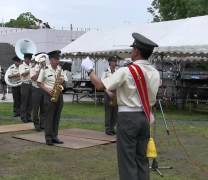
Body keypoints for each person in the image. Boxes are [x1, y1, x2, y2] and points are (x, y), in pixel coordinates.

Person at [81, 32, 160, 180]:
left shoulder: (127, 71)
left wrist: (90, 69)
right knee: (142, 159)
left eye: (132, 49)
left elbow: (99, 85)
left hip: (128, 118)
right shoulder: (155, 72)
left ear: (136, 51)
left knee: (127, 161)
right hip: (146, 117)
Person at [37, 50, 68, 145]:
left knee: (57, 117)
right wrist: (47, 90)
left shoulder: (60, 69)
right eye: (55, 59)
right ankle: (48, 138)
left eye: (58, 59)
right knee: (49, 117)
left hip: (59, 94)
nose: (57, 61)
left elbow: (64, 81)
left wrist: (62, 81)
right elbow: (39, 83)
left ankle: (55, 136)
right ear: (50, 60)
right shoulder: (44, 69)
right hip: (48, 95)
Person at [30, 53, 47, 131]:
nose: (43, 61)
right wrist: (40, 69)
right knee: (36, 108)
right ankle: (36, 125)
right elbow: (33, 78)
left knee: (43, 108)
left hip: (43, 89)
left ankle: (43, 124)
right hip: (36, 89)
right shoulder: (33, 68)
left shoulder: (46, 68)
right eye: (42, 59)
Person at [103, 56, 118, 135]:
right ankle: (108, 129)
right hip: (108, 93)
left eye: (115, 61)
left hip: (115, 93)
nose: (114, 63)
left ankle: (112, 128)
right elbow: (103, 84)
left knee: (115, 112)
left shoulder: (117, 71)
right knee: (108, 112)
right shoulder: (105, 72)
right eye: (113, 61)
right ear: (109, 62)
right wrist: (108, 92)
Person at [19, 53, 33, 123]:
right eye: (28, 59)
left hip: (31, 84)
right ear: (25, 59)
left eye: (30, 59)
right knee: (24, 101)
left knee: (30, 102)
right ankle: (23, 117)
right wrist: (30, 69)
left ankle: (29, 116)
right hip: (25, 84)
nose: (29, 60)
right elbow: (23, 74)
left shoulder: (31, 65)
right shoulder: (21, 66)